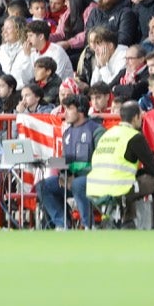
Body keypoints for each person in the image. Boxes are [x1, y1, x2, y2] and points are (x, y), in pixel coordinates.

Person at [83, 101, 154, 227]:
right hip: (117, 189)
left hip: (94, 189)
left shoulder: (108, 133)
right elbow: (153, 169)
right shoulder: (134, 136)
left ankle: (128, 223)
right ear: (136, 117)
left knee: (129, 181)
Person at [37, 94, 101, 229]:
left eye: (69, 109)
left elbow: (101, 163)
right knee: (43, 186)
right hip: (71, 179)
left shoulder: (97, 130)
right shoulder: (67, 133)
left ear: (81, 111)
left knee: (78, 184)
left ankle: (88, 226)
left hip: (93, 179)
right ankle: (63, 224)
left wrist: (74, 176)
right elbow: (68, 160)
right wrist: (60, 172)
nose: (65, 112)